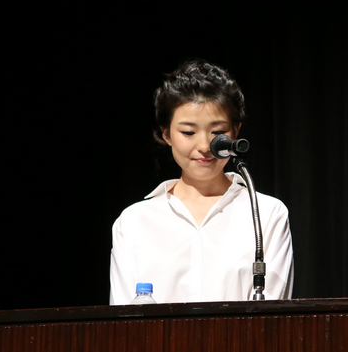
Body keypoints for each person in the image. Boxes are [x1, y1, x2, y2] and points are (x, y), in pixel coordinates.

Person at [109, 60, 293, 303]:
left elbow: (272, 318)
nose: (205, 146)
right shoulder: (134, 222)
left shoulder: (267, 214)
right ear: (166, 134)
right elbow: (123, 322)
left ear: (235, 132)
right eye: (188, 132)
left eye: (218, 132)